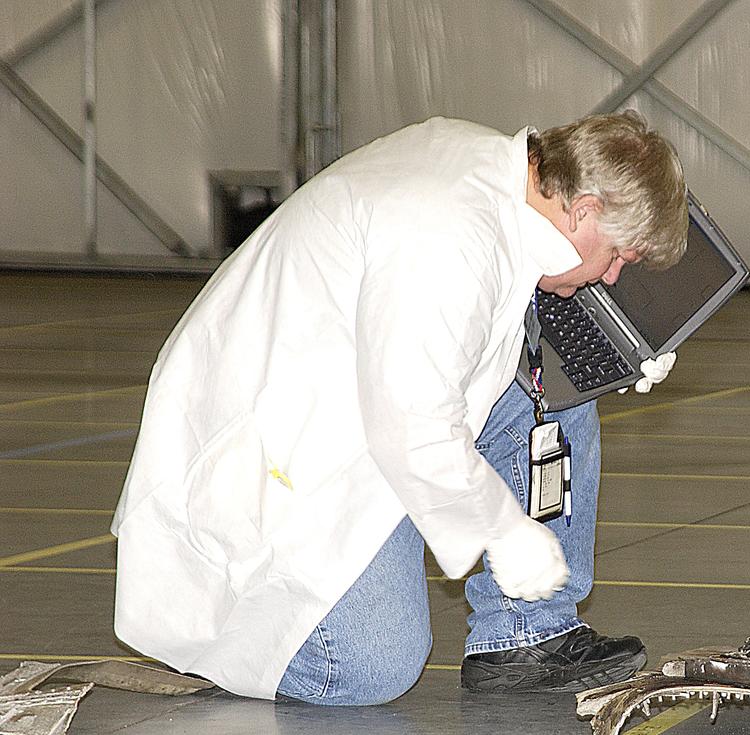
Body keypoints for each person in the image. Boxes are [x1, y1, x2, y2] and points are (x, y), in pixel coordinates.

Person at [111, 111, 687, 705]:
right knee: (371, 668)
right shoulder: (445, 235)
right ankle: (236, 640)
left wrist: (615, 347)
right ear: (585, 209)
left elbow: (467, 341)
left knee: (557, 397)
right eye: (618, 256)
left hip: (361, 406)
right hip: (282, 453)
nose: (613, 275)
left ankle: (526, 636)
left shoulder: (501, 181)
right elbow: (412, 420)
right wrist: (503, 529)